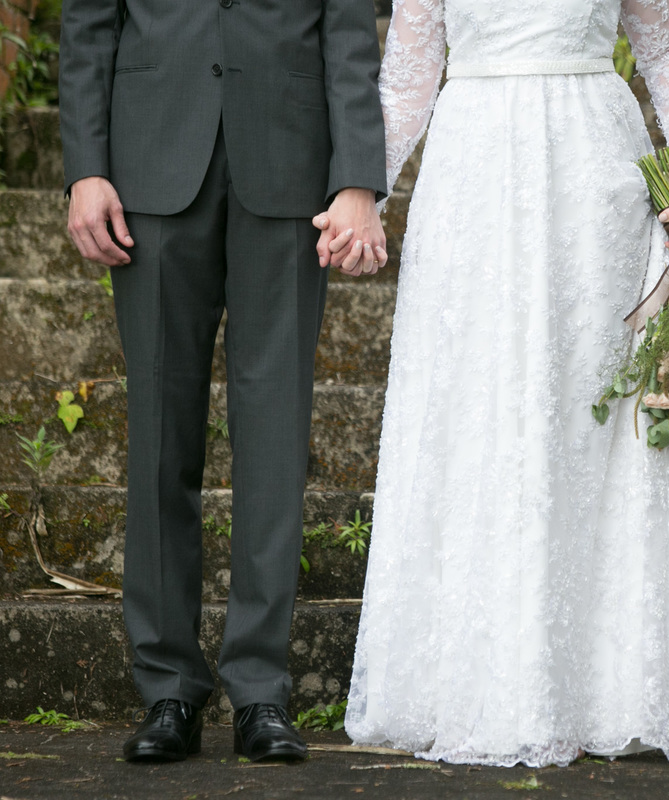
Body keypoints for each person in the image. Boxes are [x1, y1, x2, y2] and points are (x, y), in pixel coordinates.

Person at [345, 0, 669, 766]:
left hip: (592, 174)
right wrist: (363, 197)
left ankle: (603, 692)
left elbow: (664, 46)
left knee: (584, 426)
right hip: (472, 178)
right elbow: (409, 76)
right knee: (473, 414)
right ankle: (479, 684)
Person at [59, 0, 389, 763]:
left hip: (290, 161)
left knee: (275, 438)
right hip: (149, 160)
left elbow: (348, 31)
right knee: (158, 434)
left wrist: (356, 178)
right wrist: (85, 166)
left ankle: (260, 687)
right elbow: (88, 24)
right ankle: (168, 685)